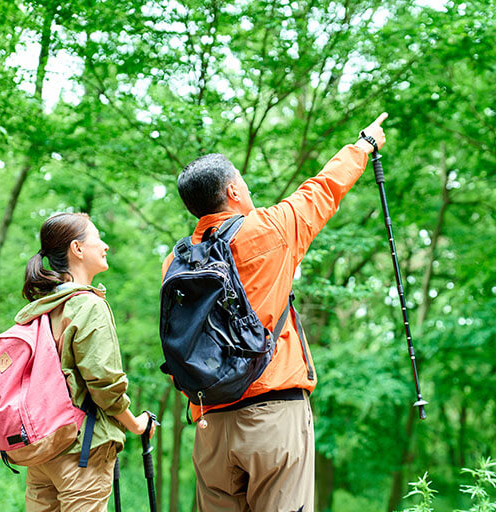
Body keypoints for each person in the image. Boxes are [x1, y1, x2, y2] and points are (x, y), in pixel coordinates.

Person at [162, 113, 388, 511]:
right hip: (274, 415)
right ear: (233, 190)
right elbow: (323, 189)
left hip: (209, 424)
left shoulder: (176, 263)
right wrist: (364, 145)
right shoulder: (271, 229)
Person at [17, 212, 155, 512]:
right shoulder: (88, 305)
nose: (104, 245)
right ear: (77, 249)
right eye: (97, 238)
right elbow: (105, 386)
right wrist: (136, 424)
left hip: (44, 448)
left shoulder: (41, 308)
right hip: (83, 450)